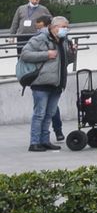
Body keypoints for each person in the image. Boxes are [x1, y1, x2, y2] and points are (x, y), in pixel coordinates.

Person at [19, 16, 74, 152]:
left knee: (49, 114)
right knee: (39, 114)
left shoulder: (64, 41)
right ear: (54, 27)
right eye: (64, 27)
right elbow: (25, 54)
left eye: (67, 27)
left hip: (57, 83)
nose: (66, 30)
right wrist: (46, 54)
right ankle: (34, 142)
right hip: (41, 83)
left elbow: (67, 61)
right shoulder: (40, 38)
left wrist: (72, 52)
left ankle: (45, 141)